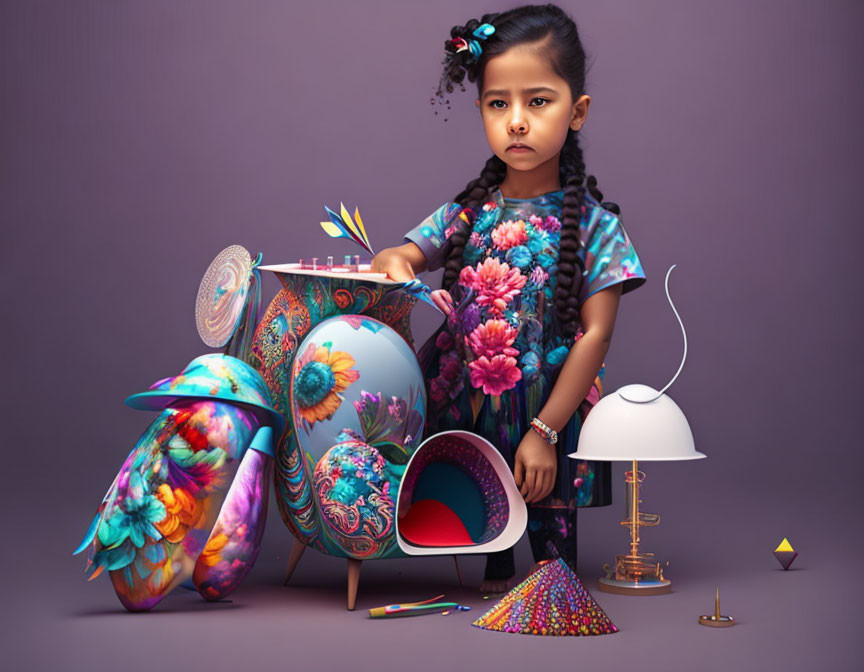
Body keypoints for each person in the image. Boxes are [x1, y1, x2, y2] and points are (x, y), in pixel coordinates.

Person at [371, 4, 646, 593]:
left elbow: (596, 334)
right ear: (481, 112)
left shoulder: (597, 228)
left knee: (552, 577)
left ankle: (551, 579)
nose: (516, 121)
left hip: (549, 411)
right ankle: (493, 560)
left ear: (577, 112)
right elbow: (400, 256)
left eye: (538, 102)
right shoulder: (468, 212)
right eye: (499, 104)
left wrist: (545, 430)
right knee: (481, 535)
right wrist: (394, 261)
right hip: (469, 412)